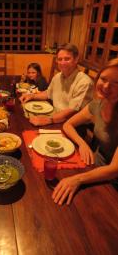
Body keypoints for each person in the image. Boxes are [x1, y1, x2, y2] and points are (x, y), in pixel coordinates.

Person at [52, 58, 118, 205]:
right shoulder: (98, 103)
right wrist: (82, 143)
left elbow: (114, 169)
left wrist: (78, 179)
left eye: (116, 83)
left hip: (111, 183)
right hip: (93, 166)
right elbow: (68, 124)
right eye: (103, 79)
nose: (106, 86)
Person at [19, 44, 93, 126]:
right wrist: (32, 96)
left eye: (67, 59)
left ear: (76, 59)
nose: (63, 63)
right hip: (55, 117)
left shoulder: (84, 82)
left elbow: (73, 111)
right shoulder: (57, 77)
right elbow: (48, 93)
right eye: (60, 59)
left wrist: (48, 120)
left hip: (73, 125)